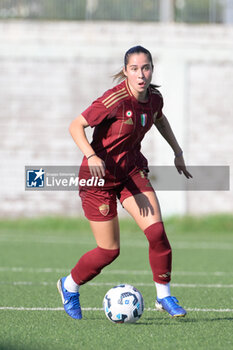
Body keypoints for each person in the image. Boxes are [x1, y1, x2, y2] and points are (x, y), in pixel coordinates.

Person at [57, 45, 192, 320]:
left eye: (146, 68)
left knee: (156, 233)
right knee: (109, 251)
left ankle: (164, 296)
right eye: (134, 69)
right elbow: (75, 125)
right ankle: (68, 285)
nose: (141, 74)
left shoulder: (154, 98)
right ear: (125, 71)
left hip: (131, 172)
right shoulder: (113, 99)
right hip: (99, 179)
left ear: (151, 69)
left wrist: (177, 152)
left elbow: (160, 120)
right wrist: (91, 155)